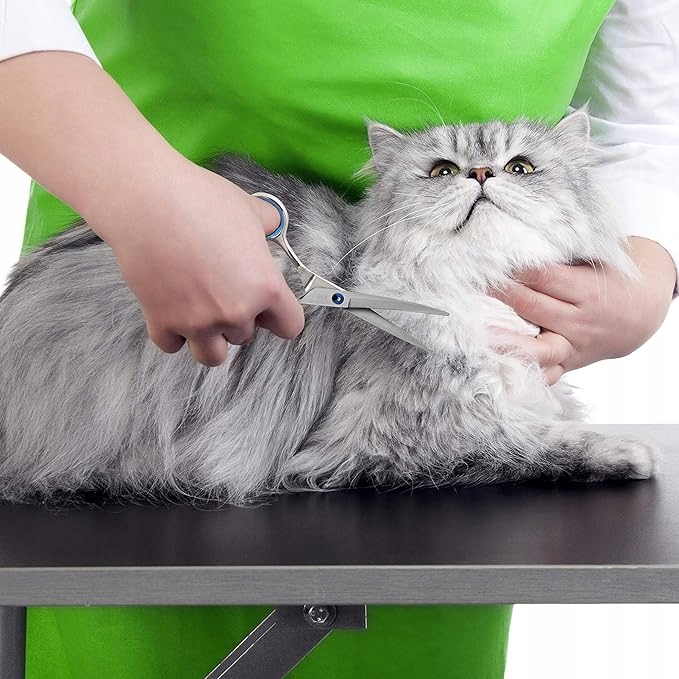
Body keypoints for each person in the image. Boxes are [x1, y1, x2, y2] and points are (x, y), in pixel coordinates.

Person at [0, 1, 676, 677]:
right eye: (447, 172)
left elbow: (643, 110)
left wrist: (648, 268)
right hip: (134, 246)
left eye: (516, 168)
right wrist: (143, 197)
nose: (481, 177)